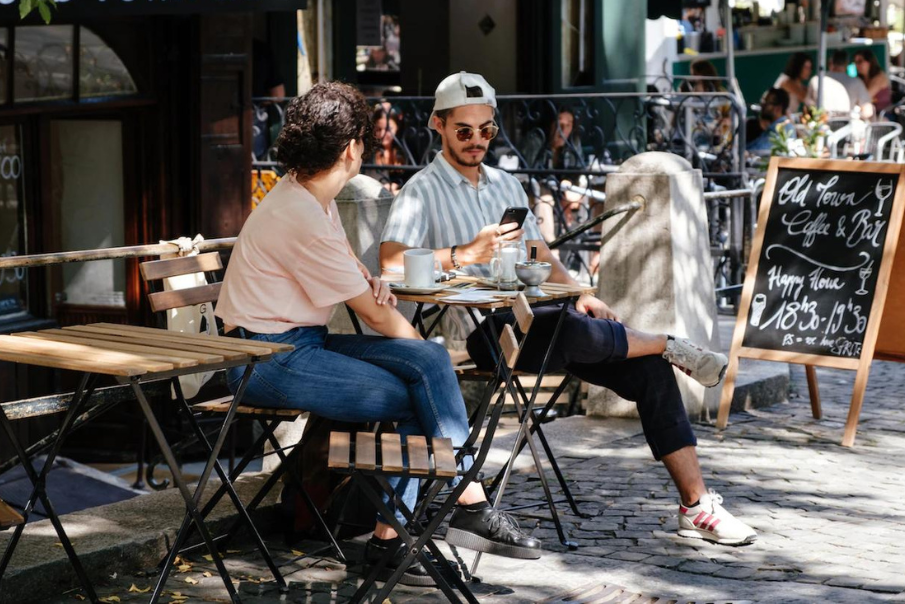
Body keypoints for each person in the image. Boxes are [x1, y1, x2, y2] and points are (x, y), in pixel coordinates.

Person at [380, 71, 758, 547]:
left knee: (647, 370)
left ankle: (696, 505)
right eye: (464, 130)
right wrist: (464, 254)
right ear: (438, 124)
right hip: (476, 335)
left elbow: (539, 255)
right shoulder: (420, 189)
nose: (477, 140)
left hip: (539, 321)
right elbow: (390, 262)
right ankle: (667, 341)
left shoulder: (504, 185)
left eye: (487, 129)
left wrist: (580, 290)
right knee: (584, 332)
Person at [215, 81, 542, 586]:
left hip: (298, 343)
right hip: (266, 360)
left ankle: (412, 533)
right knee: (421, 387)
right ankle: (451, 509)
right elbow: (373, 316)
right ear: (350, 149)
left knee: (429, 365)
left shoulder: (309, 195)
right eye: (365, 141)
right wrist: (415, 346)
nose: (366, 150)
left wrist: (372, 284)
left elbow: (354, 274)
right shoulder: (300, 212)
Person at [807, 50, 874, 118]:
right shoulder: (856, 82)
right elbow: (868, 111)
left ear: (831, 62)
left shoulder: (816, 80)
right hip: (846, 124)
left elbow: (808, 106)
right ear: (846, 64)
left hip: (822, 124)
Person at [747, 87, 793, 154]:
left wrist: (746, 154)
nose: (762, 105)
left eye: (766, 103)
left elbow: (764, 152)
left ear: (778, 108)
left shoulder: (784, 128)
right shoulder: (772, 127)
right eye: (762, 102)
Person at [372, 105, 406, 193]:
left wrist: (398, 187)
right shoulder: (370, 152)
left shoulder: (406, 150)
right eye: (378, 129)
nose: (382, 134)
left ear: (397, 127)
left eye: (388, 129)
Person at [854, 49, 892, 114]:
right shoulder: (860, 79)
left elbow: (865, 97)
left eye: (860, 61)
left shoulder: (879, 77)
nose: (857, 65)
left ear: (870, 62)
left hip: (883, 114)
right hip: (867, 113)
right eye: (855, 62)